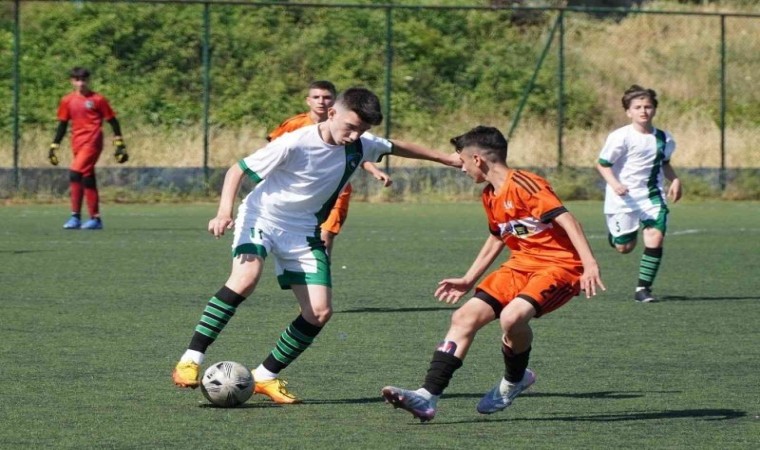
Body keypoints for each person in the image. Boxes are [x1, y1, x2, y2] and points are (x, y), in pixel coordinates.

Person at [172, 87, 461, 405]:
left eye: (362, 130)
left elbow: (396, 146)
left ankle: (264, 376)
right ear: (332, 113)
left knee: (319, 312)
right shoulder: (295, 142)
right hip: (261, 217)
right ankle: (191, 358)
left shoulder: (360, 144)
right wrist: (224, 212)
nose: (355, 136)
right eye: (351, 127)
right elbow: (236, 170)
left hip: (303, 232)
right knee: (245, 278)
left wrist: (446, 158)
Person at [381, 125, 605, 422]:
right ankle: (426, 396)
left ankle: (514, 380)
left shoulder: (525, 184)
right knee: (464, 317)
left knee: (512, 318)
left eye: (462, 161)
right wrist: (468, 279)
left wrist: (589, 264)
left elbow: (567, 219)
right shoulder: (489, 195)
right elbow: (497, 237)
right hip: (519, 265)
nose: (461, 168)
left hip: (559, 266)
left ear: (478, 159)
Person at [268, 80, 392, 256]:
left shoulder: (348, 126)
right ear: (308, 100)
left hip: (337, 191)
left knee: (326, 234)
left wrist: (374, 170)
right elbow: (273, 150)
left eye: (326, 97)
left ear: (334, 102)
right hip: (304, 191)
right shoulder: (295, 125)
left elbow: (357, 151)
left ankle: (323, 267)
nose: (321, 101)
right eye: (316, 97)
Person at [596, 85, 682, 303]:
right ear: (628, 112)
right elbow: (603, 164)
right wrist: (615, 184)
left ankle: (643, 289)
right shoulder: (620, 137)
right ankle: (616, 236)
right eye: (638, 107)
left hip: (652, 196)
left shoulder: (664, 138)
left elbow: (665, 163)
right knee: (624, 247)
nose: (643, 111)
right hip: (623, 198)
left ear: (654, 109)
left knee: (656, 236)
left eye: (648, 106)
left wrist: (675, 179)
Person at [48, 67, 128, 230]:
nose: (81, 83)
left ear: (88, 81)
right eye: (77, 80)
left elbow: (112, 121)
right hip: (77, 142)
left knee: (75, 172)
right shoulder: (67, 100)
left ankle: (75, 216)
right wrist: (54, 145)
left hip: (93, 141)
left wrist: (119, 143)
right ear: (72, 81)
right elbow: (63, 124)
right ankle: (95, 219)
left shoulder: (98, 99)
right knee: (87, 178)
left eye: (84, 80)